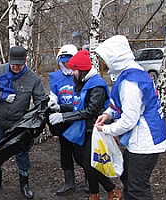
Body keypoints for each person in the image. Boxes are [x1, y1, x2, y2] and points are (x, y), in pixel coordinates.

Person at [94, 35, 166, 200]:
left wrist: (106, 129)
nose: (104, 63)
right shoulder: (131, 70)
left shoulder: (130, 83)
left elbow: (129, 120)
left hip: (145, 141)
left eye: (106, 59)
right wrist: (107, 114)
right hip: (142, 137)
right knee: (128, 178)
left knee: (138, 189)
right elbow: (118, 104)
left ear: (115, 58)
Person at [49, 50, 121, 200]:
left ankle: (112, 190)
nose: (72, 72)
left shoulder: (97, 85)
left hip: (94, 129)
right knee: (82, 160)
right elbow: (78, 107)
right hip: (84, 129)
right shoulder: (84, 82)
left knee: (90, 164)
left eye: (74, 69)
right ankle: (94, 195)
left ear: (82, 69)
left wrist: (63, 116)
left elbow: (90, 111)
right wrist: (60, 107)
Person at [0, 45, 47, 199]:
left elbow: (40, 101)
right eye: (13, 63)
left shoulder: (32, 78)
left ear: (26, 61)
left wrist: (38, 116)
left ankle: (24, 183)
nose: (15, 67)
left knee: (21, 152)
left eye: (19, 64)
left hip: (19, 124)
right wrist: (0, 96)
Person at [48, 44, 89, 195]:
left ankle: (89, 181)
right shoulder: (55, 76)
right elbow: (54, 92)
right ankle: (69, 183)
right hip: (63, 120)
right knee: (65, 152)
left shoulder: (82, 75)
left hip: (79, 120)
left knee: (82, 152)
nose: (66, 64)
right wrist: (52, 101)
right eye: (63, 61)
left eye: (68, 61)